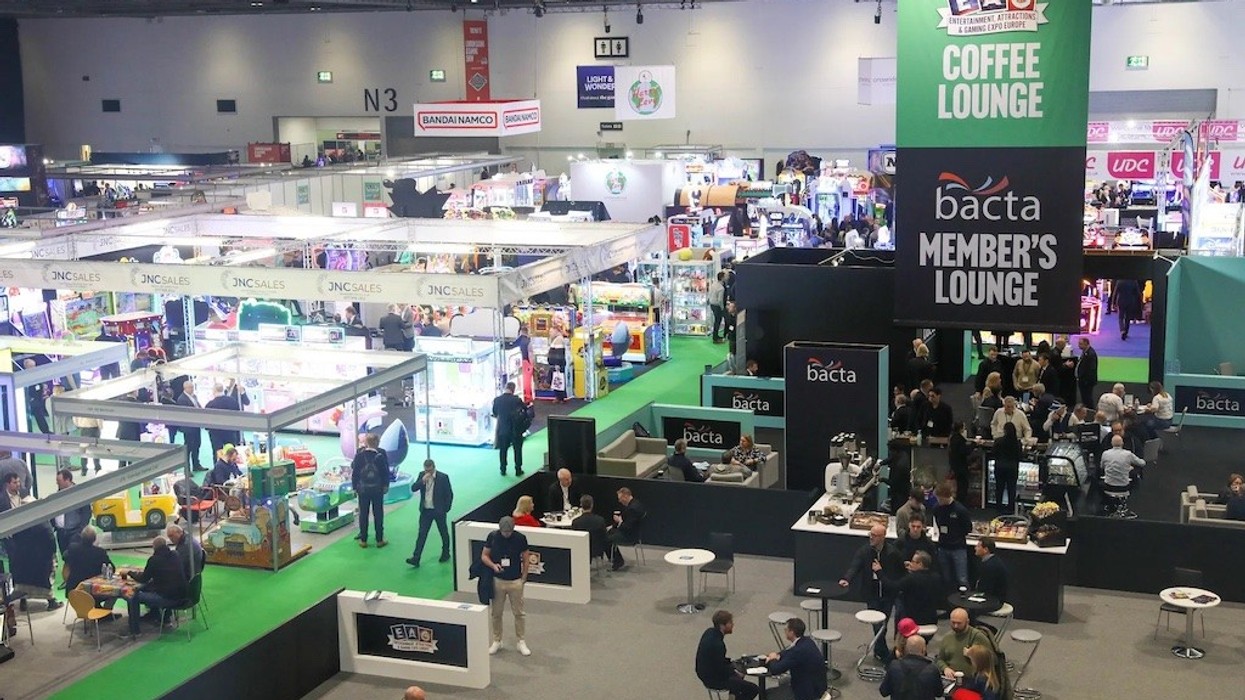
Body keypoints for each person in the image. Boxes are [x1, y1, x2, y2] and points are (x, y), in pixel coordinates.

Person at [839, 524, 904, 661]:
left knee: (883, 625)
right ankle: (884, 652)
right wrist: (847, 579)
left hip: (887, 594)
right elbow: (855, 566)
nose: (871, 537)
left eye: (874, 535)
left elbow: (898, 573)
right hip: (871, 593)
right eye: (871, 534)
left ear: (883, 537)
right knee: (877, 624)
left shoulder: (893, 553)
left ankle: (879, 650)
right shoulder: (865, 551)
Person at [1, 472, 61, 611]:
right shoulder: (1, 500)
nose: (18, 485)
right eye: (15, 482)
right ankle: (24, 599)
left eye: (18, 482)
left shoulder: (25, 494)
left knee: (32, 572)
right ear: (7, 484)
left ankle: (37, 599)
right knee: (20, 572)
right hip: (15, 544)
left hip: (30, 545)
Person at [482, 516, 530, 656]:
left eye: (509, 532)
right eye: (504, 531)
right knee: (496, 613)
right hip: (498, 581)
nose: (506, 534)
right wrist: (493, 566)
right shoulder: (492, 536)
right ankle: (497, 640)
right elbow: (484, 556)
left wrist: (524, 577)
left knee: (519, 613)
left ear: (513, 529)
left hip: (515, 581)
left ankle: (521, 640)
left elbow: (526, 558)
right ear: (500, 529)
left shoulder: (521, 538)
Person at [123, 536, 188, 638]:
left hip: (167, 598)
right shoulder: (175, 555)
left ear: (154, 547)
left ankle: (135, 630)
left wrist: (130, 573)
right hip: (183, 595)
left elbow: (143, 578)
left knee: (132, 595)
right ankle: (164, 619)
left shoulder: (154, 560)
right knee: (157, 587)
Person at [695, 610, 758, 700]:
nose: (732, 625)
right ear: (722, 625)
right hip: (713, 679)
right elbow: (720, 670)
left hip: (704, 672)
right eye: (730, 623)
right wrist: (734, 671)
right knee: (753, 689)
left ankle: (733, 697)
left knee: (737, 676)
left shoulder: (709, 632)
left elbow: (715, 660)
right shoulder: (718, 645)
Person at [764, 617, 827, 700]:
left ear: (791, 632)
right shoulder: (807, 641)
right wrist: (777, 655)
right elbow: (788, 651)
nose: (785, 631)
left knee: (767, 694)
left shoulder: (798, 651)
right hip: (817, 685)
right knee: (783, 681)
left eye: (786, 630)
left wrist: (773, 659)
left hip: (808, 692)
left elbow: (776, 670)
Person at [407, 459, 453, 566]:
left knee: (443, 532)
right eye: (426, 470)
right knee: (422, 534)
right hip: (425, 511)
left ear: (434, 467)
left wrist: (445, 509)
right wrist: (422, 481)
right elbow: (413, 488)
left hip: (438, 510)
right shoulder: (422, 475)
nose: (428, 472)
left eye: (430, 470)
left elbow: (449, 494)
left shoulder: (443, 477)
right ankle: (416, 557)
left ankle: (446, 552)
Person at [352, 433, 391, 549]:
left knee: (363, 513)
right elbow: (385, 472)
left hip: (363, 490)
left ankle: (363, 540)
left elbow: (355, 473)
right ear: (377, 443)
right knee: (378, 513)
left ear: (366, 443)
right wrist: (386, 485)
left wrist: (355, 487)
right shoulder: (380, 455)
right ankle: (379, 539)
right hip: (377, 489)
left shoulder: (359, 455)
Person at [933, 483, 972, 589]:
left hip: (958, 548)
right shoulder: (937, 508)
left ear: (947, 497)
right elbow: (938, 523)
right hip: (943, 546)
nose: (939, 501)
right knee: (945, 578)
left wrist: (956, 534)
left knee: (962, 578)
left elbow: (968, 528)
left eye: (940, 499)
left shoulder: (960, 510)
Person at [935, 608, 993, 679]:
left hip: (973, 680)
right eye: (953, 622)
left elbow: (992, 660)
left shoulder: (978, 636)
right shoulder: (947, 638)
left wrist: (972, 654)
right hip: (952, 678)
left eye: (959, 623)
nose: (956, 626)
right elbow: (939, 659)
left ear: (967, 622)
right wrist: (945, 668)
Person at [880, 635, 942, 700]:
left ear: (905, 649)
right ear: (924, 650)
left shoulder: (894, 666)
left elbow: (883, 692)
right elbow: (939, 693)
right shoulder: (932, 670)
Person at [894, 551, 943, 626]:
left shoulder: (911, 578)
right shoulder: (936, 577)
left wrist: (879, 572)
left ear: (920, 564)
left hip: (911, 621)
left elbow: (892, 587)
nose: (910, 563)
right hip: (931, 620)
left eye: (913, 561)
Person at [1101, 434, 1145, 518]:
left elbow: (1102, 466)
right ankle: (1122, 506)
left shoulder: (1105, 454)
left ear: (1111, 443)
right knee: (1135, 479)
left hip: (1108, 486)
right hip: (1124, 487)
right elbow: (1142, 463)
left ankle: (1110, 505)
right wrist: (1129, 467)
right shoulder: (1128, 454)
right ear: (1122, 443)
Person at [52, 469, 92, 556]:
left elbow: (86, 513)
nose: (57, 483)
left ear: (67, 480)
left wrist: (80, 530)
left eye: (59, 481)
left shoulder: (80, 494)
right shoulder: (57, 495)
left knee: (74, 556)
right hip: (61, 533)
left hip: (74, 532)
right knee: (65, 556)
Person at [62, 526, 113, 594]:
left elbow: (65, 562)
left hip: (73, 590)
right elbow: (111, 568)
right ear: (95, 539)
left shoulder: (73, 548)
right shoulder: (100, 552)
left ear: (81, 537)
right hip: (94, 591)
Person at [491, 382, 527, 476]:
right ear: (513, 389)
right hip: (515, 429)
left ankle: (503, 469)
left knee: (503, 450)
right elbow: (525, 409)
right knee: (517, 450)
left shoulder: (497, 400)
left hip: (503, 429)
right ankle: (518, 469)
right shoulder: (516, 400)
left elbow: (495, 413)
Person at [607, 487, 645, 571]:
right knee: (609, 532)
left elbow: (627, 527)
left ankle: (618, 561)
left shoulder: (632, 509)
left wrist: (619, 521)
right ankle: (616, 559)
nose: (619, 501)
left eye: (620, 499)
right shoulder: (636, 504)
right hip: (634, 532)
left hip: (630, 536)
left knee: (606, 540)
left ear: (625, 496)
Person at [204, 383, 244, 456]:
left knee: (218, 452)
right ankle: (231, 466)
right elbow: (237, 415)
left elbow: (207, 421)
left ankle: (218, 466)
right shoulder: (232, 401)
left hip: (215, 432)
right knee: (231, 452)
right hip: (230, 431)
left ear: (214, 391)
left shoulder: (210, 405)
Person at [176, 380, 205, 471]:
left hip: (196, 426)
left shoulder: (194, 397)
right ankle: (187, 469)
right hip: (188, 428)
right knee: (188, 448)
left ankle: (196, 464)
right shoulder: (182, 399)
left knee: (197, 445)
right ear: (185, 388)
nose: (192, 389)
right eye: (190, 387)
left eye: (193, 387)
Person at [993, 421, 1022, 513]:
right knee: (1011, 489)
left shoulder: (998, 441)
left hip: (1000, 467)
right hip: (1012, 468)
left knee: (999, 488)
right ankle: (1011, 508)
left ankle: (998, 508)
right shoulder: (1017, 443)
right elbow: (1019, 456)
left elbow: (994, 453)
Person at [571, 495, 609, 563]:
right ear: (592, 505)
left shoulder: (576, 522)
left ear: (581, 505)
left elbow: (574, 540)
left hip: (581, 550)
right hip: (597, 549)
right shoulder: (600, 520)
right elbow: (605, 537)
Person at [23, 359, 50, 434]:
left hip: (38, 400)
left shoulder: (36, 375)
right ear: (27, 367)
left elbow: (40, 385)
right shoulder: (24, 377)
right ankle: (28, 432)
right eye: (32, 366)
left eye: (34, 365)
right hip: (30, 402)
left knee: (40, 417)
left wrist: (43, 387)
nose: (34, 367)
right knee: (28, 418)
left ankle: (46, 431)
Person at [948, 422, 973, 503]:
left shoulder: (952, 438)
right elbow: (965, 451)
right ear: (961, 429)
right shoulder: (959, 439)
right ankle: (962, 501)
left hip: (955, 464)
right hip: (961, 465)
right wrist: (973, 445)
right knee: (963, 485)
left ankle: (959, 500)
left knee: (959, 484)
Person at [1075, 337, 1099, 409]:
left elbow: (1091, 369)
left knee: (1087, 397)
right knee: (1084, 397)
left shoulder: (1090, 354)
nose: (1078, 345)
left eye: (1080, 344)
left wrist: (1086, 380)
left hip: (1087, 381)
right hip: (1083, 380)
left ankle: (1090, 411)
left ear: (1086, 344)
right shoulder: (1085, 352)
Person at [708, 271, 727, 343]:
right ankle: (715, 338)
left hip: (712, 304)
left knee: (716, 321)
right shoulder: (721, 288)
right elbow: (720, 300)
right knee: (717, 322)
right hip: (717, 306)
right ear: (722, 278)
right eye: (725, 276)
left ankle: (715, 336)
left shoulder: (714, 284)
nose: (726, 277)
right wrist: (722, 308)